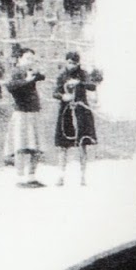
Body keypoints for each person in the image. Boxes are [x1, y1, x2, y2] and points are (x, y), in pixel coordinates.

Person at [3, 47, 46, 187]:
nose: (30, 61)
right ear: (19, 59)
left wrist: (36, 75)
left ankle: (31, 176)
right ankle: (20, 177)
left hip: (33, 112)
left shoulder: (31, 71)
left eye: (32, 59)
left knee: (36, 146)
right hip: (21, 113)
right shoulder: (15, 72)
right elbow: (10, 86)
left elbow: (41, 76)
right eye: (27, 58)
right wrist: (27, 80)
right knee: (20, 146)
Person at [53, 51, 98, 186]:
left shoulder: (83, 74)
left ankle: (82, 176)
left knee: (82, 144)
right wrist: (62, 96)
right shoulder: (62, 75)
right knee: (63, 145)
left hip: (81, 110)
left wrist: (80, 83)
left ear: (78, 63)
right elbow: (55, 92)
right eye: (69, 62)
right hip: (65, 112)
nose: (71, 65)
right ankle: (61, 176)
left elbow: (92, 86)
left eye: (74, 63)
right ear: (66, 62)